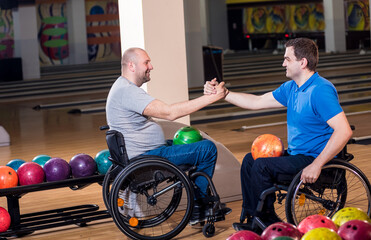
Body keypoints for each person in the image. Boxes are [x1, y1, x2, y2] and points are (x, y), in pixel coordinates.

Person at [204, 38, 353, 230]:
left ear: (303, 62)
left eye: (287, 59)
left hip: (315, 159)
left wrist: (317, 165)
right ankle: (254, 216)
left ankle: (265, 222)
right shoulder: (291, 88)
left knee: (261, 166)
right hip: (296, 155)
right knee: (251, 160)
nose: (283, 63)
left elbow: (344, 131)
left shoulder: (320, 91)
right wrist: (223, 94)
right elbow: (256, 102)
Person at [106, 47, 231, 225]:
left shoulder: (123, 87)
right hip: (146, 159)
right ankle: (198, 207)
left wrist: (205, 96)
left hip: (145, 154)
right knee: (207, 149)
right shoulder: (127, 91)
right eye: (146, 62)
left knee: (196, 144)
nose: (152, 66)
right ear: (131, 66)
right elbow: (170, 113)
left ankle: (199, 197)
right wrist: (211, 99)